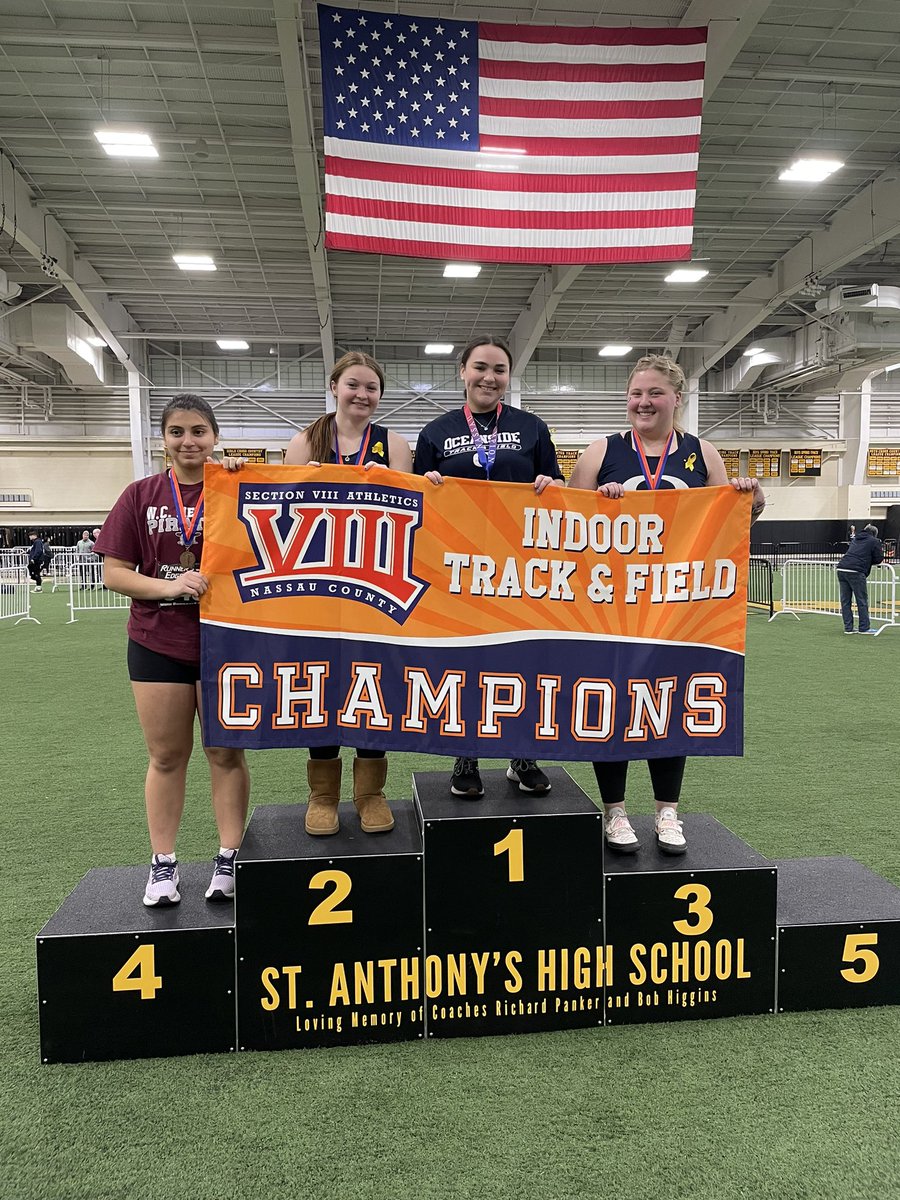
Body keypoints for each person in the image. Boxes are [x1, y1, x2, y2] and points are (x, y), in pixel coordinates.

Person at [569, 354, 766, 856]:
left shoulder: (702, 452)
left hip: (679, 611)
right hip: (610, 609)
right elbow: (564, 523)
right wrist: (599, 503)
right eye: (636, 393)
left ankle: (667, 812)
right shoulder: (601, 451)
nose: (643, 402)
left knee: (668, 704)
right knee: (611, 705)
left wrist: (752, 496)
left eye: (654, 393)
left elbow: (732, 518)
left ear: (677, 398)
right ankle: (614, 811)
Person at [94, 393, 250, 907]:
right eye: (178, 431)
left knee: (225, 751)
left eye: (199, 431)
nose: (189, 441)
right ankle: (164, 865)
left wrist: (239, 477)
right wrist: (171, 588)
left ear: (215, 436)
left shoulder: (237, 489)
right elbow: (114, 573)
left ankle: (229, 856)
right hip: (158, 641)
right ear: (163, 439)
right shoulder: (139, 495)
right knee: (165, 756)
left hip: (226, 643)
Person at [414, 334, 564, 799]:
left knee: (524, 660)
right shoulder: (435, 432)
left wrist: (549, 482)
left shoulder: (531, 427)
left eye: (499, 369)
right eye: (480, 367)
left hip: (521, 568)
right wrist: (427, 483)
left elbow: (559, 483)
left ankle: (523, 757)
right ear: (463, 371)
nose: (489, 377)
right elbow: (413, 500)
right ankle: (467, 756)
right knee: (466, 663)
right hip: (458, 570)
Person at [285, 351, 411, 837]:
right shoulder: (305, 441)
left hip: (377, 586)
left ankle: (371, 792)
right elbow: (283, 509)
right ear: (335, 386)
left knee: (372, 687)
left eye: (372, 388)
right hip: (319, 586)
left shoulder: (394, 444)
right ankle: (322, 796)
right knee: (323, 686)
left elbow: (414, 513)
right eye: (353, 385)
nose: (362, 394)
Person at [836, 522, 883, 634]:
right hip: (856, 571)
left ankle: (848, 628)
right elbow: (878, 558)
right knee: (861, 600)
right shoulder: (874, 541)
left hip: (842, 568)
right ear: (874, 534)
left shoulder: (856, 539)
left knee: (845, 601)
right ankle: (864, 627)